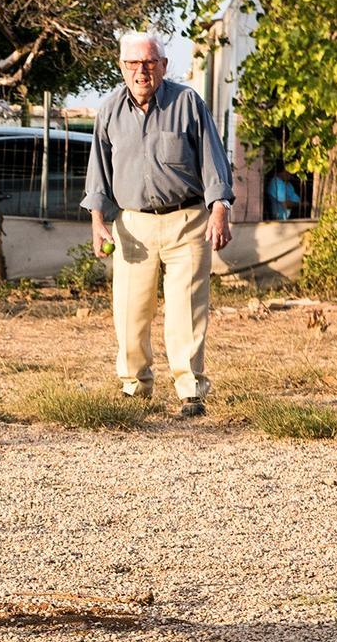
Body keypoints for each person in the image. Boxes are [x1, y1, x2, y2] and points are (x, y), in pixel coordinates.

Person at [81, 31, 234, 418]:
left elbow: (214, 162)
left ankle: (190, 391)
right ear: (122, 67)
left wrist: (220, 211)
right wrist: (98, 222)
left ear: (164, 65)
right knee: (130, 310)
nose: (141, 70)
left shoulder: (188, 104)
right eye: (133, 63)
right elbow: (98, 175)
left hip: (187, 220)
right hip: (133, 225)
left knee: (187, 309)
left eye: (149, 62)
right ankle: (134, 386)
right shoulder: (108, 111)